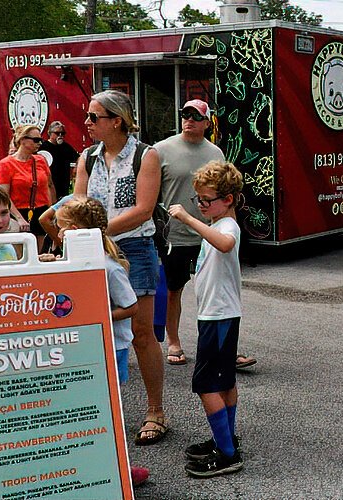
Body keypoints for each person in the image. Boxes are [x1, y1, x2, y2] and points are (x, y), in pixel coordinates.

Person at [74, 90, 170, 446]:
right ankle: (101, 409)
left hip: (135, 248)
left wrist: (97, 231)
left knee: (142, 333)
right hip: (95, 250)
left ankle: (155, 411)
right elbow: (78, 205)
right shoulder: (87, 157)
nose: (86, 123)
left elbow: (144, 209)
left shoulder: (146, 155)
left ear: (117, 120)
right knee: (95, 327)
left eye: (93, 117)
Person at [39, 196, 151, 486]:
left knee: (108, 408)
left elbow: (132, 306)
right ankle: (92, 465)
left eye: (61, 229)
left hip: (113, 348)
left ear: (74, 230)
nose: (58, 235)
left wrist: (98, 316)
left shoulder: (108, 266)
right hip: (87, 347)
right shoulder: (74, 262)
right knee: (87, 409)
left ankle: (120, 467)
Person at [166, 161, 245, 478]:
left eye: (206, 200)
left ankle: (227, 454)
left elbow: (226, 243)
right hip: (217, 314)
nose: (200, 206)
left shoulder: (227, 227)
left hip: (220, 316)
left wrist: (186, 218)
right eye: (196, 200)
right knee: (223, 380)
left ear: (227, 199)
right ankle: (225, 441)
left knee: (206, 384)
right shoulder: (218, 222)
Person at [154, 99, 242, 367]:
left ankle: (226, 347)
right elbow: (150, 194)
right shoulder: (161, 150)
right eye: (184, 114)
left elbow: (228, 195)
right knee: (173, 290)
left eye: (195, 116)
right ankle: (174, 342)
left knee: (219, 288)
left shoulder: (215, 152)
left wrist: (230, 226)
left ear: (207, 122)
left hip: (210, 233)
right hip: (176, 234)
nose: (188, 119)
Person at [0, 124, 55, 247]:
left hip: (41, 211)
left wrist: (52, 210)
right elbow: (4, 196)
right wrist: (19, 218)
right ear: (23, 140)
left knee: (40, 252)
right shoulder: (6, 164)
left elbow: (49, 186)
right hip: (18, 212)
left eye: (41, 140)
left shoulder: (40, 160)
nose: (39, 143)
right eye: (36, 140)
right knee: (21, 253)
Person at [40, 120, 79, 198]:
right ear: (50, 133)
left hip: (63, 185)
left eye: (63, 133)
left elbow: (78, 157)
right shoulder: (43, 147)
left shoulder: (66, 147)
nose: (60, 135)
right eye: (57, 133)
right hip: (48, 185)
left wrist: (76, 167)